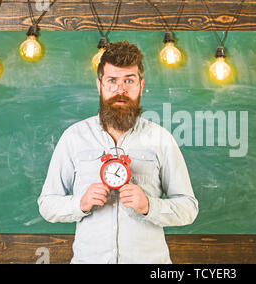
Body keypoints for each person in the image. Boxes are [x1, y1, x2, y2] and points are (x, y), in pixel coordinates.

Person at [38, 40, 199, 264]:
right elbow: (47, 204)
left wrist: (149, 206)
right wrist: (80, 204)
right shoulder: (74, 138)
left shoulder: (161, 139)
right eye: (112, 81)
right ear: (99, 85)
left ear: (141, 86)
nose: (120, 90)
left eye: (129, 81)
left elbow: (188, 208)